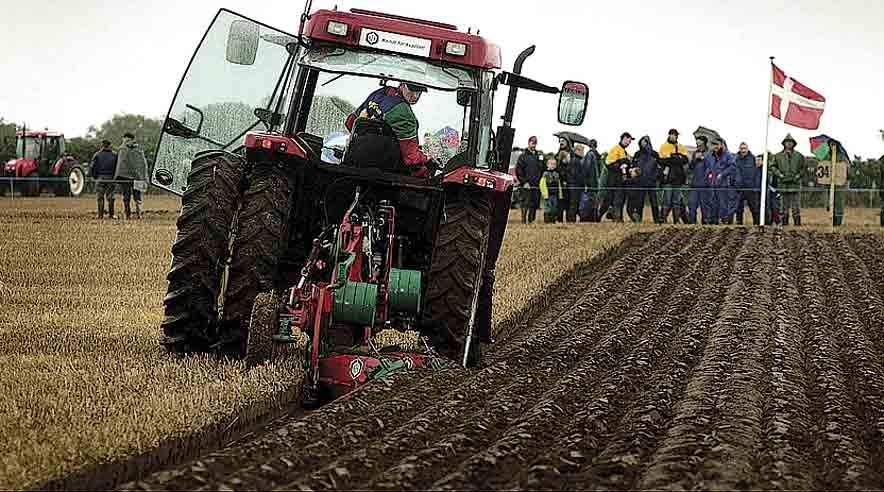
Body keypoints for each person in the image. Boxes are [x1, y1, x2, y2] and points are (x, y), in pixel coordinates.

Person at [345, 82, 433, 177]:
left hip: (353, 162)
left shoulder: (380, 93)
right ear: (402, 84)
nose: (415, 96)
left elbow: (350, 122)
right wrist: (427, 160)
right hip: (386, 173)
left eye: (419, 93)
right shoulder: (405, 115)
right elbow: (411, 159)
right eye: (412, 90)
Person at [770, 134, 805, 226]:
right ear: (784, 144)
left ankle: (797, 224)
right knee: (783, 207)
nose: (789, 144)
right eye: (787, 142)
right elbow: (773, 166)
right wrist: (779, 175)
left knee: (796, 207)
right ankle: (784, 223)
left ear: (793, 144)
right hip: (783, 185)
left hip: (795, 185)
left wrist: (798, 176)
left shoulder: (799, 156)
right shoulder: (777, 156)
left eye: (790, 142)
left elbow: (804, 168)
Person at [657, 129, 688, 224]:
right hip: (667, 178)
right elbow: (661, 160)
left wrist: (672, 157)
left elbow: (685, 160)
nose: (673, 136)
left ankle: (676, 220)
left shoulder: (681, 147)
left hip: (678, 178)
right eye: (672, 135)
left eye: (675, 135)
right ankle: (663, 219)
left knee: (677, 201)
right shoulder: (663, 146)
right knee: (666, 199)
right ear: (669, 135)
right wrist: (677, 157)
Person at [602, 133, 635, 222]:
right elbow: (608, 163)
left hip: (621, 181)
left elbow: (625, 165)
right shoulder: (616, 149)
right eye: (629, 140)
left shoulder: (624, 152)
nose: (630, 142)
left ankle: (616, 218)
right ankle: (614, 218)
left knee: (617, 200)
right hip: (614, 180)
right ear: (624, 138)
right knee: (613, 200)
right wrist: (619, 166)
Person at [115, 132, 148, 220]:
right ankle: (139, 214)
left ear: (127, 138)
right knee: (137, 196)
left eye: (125, 139)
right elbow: (143, 164)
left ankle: (128, 215)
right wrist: (142, 176)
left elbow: (119, 164)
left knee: (127, 196)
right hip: (137, 177)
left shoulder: (122, 149)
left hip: (125, 177)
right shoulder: (139, 149)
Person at [628, 136, 661, 223]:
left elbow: (659, 168)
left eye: (645, 142)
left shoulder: (655, 154)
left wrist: (655, 177)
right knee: (639, 202)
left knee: (654, 201)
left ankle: (656, 220)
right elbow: (633, 167)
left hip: (651, 182)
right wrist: (634, 171)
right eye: (642, 142)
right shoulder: (637, 154)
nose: (643, 144)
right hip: (640, 182)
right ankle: (638, 220)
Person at [516, 136, 543, 224]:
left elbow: (542, 169)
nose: (534, 144)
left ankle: (531, 220)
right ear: (529, 142)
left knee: (534, 203)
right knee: (525, 203)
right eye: (532, 142)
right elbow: (519, 171)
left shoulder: (539, 156)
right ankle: (524, 221)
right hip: (526, 184)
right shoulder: (523, 156)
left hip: (536, 184)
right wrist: (524, 182)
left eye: (535, 142)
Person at [713, 140, 740, 224]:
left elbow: (732, 167)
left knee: (724, 204)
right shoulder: (713, 155)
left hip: (725, 184)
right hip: (715, 183)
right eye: (714, 145)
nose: (715, 147)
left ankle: (726, 222)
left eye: (717, 145)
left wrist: (722, 174)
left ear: (722, 145)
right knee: (716, 203)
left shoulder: (728, 155)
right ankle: (719, 221)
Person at [734, 142, 760, 225]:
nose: (743, 150)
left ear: (747, 149)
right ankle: (739, 225)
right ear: (739, 149)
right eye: (741, 148)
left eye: (744, 148)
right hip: (739, 188)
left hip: (751, 188)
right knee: (738, 209)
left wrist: (756, 186)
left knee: (754, 209)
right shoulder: (735, 159)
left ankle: (756, 225)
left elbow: (757, 173)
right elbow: (732, 172)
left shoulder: (753, 158)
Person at [90, 140, 117, 219]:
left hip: (100, 178)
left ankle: (100, 215)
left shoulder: (97, 155)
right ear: (109, 145)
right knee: (111, 197)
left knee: (100, 197)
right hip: (111, 178)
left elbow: (92, 167)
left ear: (102, 145)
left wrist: (95, 177)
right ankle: (111, 215)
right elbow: (117, 167)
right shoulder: (115, 155)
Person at [687, 136, 711, 224]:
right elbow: (691, 167)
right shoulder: (695, 153)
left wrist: (703, 159)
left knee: (705, 207)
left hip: (705, 185)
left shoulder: (710, 153)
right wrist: (695, 160)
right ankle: (692, 224)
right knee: (691, 205)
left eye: (699, 143)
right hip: (694, 184)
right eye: (697, 143)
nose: (698, 145)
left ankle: (705, 225)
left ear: (704, 143)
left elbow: (711, 167)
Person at [555, 137, 577, 222]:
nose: (561, 143)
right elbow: (556, 166)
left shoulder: (572, 153)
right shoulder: (558, 153)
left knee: (570, 202)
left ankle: (569, 220)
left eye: (563, 141)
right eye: (560, 141)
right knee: (560, 201)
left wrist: (568, 161)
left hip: (570, 181)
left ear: (567, 142)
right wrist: (560, 161)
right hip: (560, 181)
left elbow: (574, 167)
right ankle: (559, 219)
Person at [578, 142, 600, 222]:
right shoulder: (596, 155)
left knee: (588, 201)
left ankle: (587, 218)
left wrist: (585, 181)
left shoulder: (589, 154)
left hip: (591, 182)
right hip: (594, 182)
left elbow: (586, 169)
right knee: (592, 201)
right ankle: (592, 218)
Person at [539, 158, 563, 223]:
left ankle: (553, 221)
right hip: (547, 195)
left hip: (555, 194)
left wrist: (560, 194)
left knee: (554, 208)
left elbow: (559, 185)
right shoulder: (545, 174)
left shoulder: (556, 174)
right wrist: (544, 194)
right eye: (551, 164)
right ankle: (547, 221)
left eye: (554, 164)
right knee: (547, 209)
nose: (553, 165)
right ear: (547, 165)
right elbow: (542, 185)